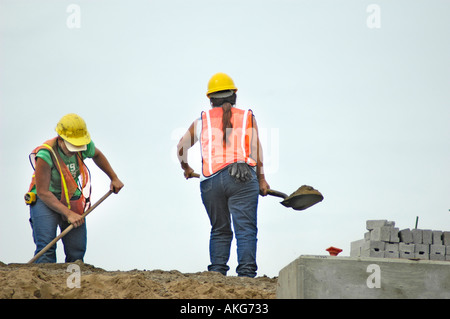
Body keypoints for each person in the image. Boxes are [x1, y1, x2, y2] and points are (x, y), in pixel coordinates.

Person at [177, 72, 270, 277]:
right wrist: (262, 179)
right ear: (234, 96)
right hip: (243, 178)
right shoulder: (247, 117)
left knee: (220, 228)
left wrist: (187, 169)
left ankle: (217, 273)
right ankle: (246, 274)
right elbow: (256, 149)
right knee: (245, 229)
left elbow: (181, 147)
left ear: (210, 99)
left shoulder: (202, 120)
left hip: (210, 180)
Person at [26, 113, 124, 263]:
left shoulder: (83, 145)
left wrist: (114, 178)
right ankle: (47, 285)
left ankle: (72, 284)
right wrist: (68, 213)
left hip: (71, 197)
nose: (75, 150)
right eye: (72, 146)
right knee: (46, 248)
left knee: (76, 251)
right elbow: (43, 192)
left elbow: (97, 155)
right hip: (46, 200)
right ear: (60, 139)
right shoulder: (46, 154)